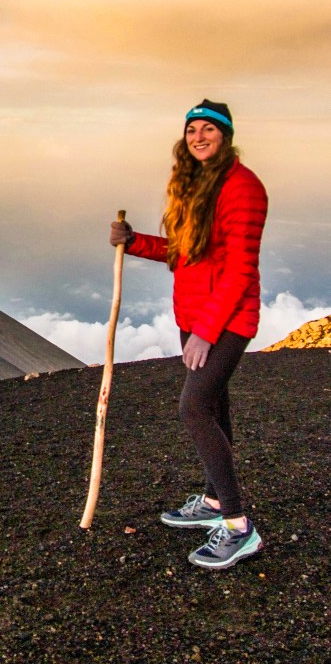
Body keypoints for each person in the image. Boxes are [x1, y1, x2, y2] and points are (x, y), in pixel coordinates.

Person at [110, 99, 268, 570]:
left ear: (226, 135)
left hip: (226, 319)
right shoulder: (197, 183)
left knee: (194, 407)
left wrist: (205, 331)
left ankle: (239, 528)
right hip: (194, 314)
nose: (198, 136)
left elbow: (240, 270)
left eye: (208, 129)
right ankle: (216, 501)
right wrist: (133, 241)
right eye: (192, 129)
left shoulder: (243, 188)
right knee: (215, 404)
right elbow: (185, 252)